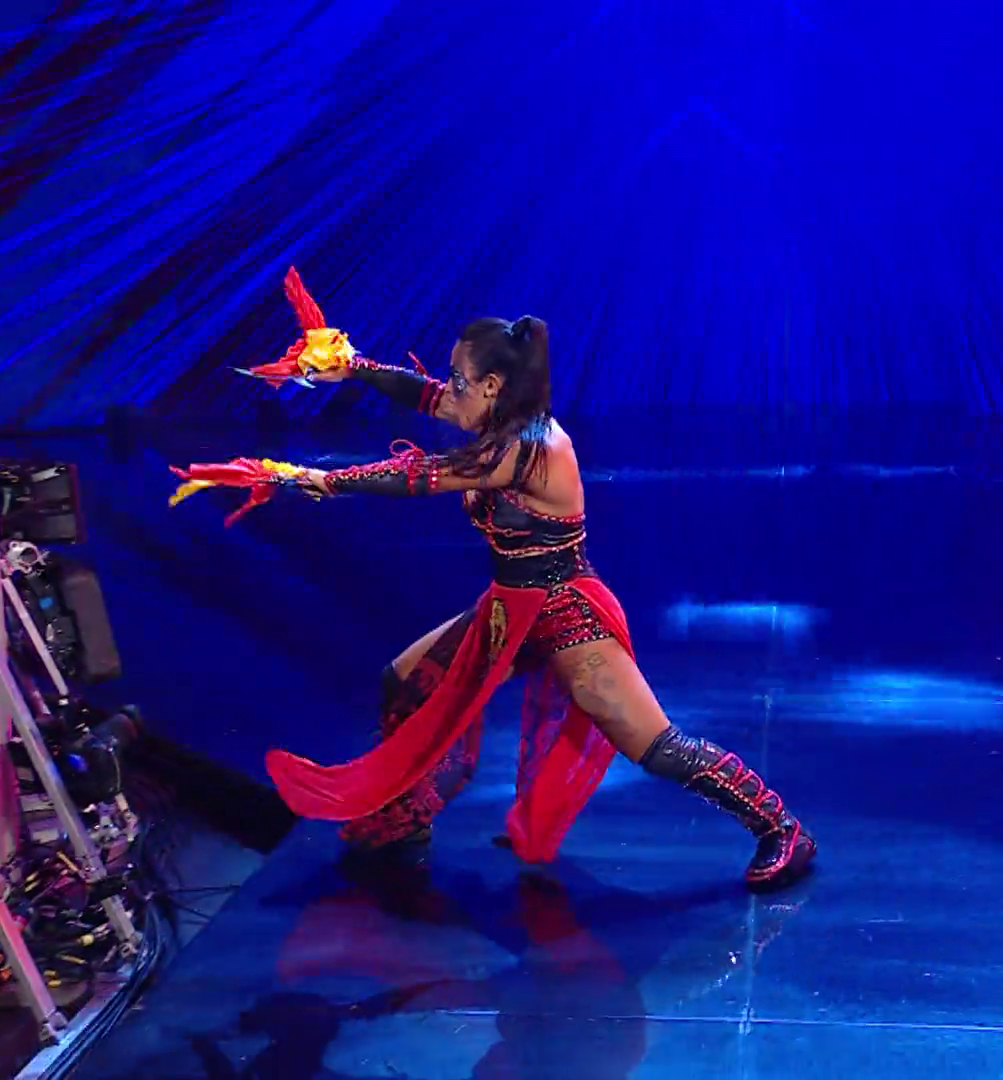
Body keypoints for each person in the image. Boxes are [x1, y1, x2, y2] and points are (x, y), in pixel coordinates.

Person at [169, 317, 816, 890]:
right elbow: (422, 395)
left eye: (458, 380)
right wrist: (355, 365)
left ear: (492, 386)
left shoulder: (531, 446)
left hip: (565, 615)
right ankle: (406, 821)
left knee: (654, 746)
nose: (447, 390)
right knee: (405, 679)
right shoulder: (496, 420)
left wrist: (319, 480)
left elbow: (423, 475)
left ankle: (781, 828)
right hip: (509, 610)